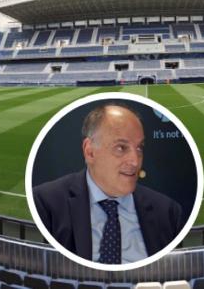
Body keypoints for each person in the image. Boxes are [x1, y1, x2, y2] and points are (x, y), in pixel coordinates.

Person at [32, 102, 184, 264]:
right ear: (90, 151)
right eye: (121, 148)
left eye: (139, 148)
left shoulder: (168, 212)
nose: (135, 161)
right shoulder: (46, 203)